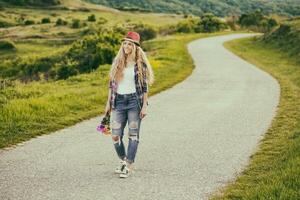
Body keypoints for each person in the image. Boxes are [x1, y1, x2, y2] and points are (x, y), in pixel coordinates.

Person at [104, 31, 154, 178]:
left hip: (134, 102)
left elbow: (144, 87)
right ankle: (123, 161)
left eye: (130, 44)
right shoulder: (118, 62)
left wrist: (144, 105)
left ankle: (128, 165)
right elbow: (112, 85)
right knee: (115, 135)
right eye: (125, 43)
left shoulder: (140, 65)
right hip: (118, 102)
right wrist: (108, 104)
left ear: (136, 47)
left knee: (133, 135)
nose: (126, 46)